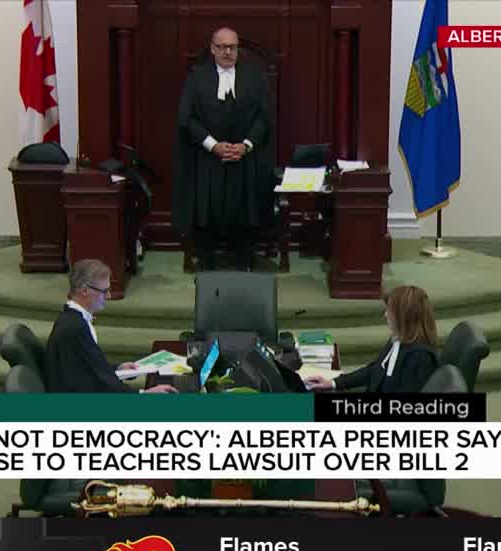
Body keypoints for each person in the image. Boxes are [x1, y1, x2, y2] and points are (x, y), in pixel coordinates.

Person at [171, 27, 274, 272]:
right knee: (207, 213)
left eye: (232, 47)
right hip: (208, 159)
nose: (228, 52)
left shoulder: (255, 77)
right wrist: (213, 145)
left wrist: (246, 145)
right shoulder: (197, 77)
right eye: (222, 47)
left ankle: (244, 263)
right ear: (212, 48)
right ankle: (206, 264)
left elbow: (264, 118)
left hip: (244, 158)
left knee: (245, 213)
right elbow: (187, 119)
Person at [43, 259, 176, 394]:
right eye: (104, 291)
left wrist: (117, 369)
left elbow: (90, 368)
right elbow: (99, 385)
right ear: (84, 290)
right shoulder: (75, 329)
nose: (109, 295)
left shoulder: (72, 318)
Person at [306, 286, 440, 393]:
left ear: (404, 317)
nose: (385, 314)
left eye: (390, 310)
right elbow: (374, 370)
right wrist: (333, 382)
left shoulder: (420, 357)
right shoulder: (398, 338)